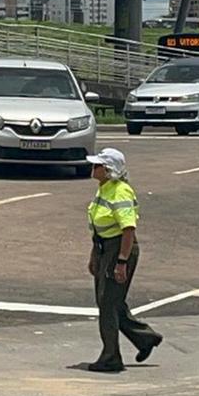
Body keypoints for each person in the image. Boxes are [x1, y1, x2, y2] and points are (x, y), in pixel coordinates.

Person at [84, 148, 162, 373]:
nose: (94, 167)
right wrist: (94, 255)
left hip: (119, 249)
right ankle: (145, 338)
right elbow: (100, 227)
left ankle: (111, 357)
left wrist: (121, 262)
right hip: (104, 249)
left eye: (98, 165)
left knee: (108, 303)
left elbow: (128, 230)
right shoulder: (104, 190)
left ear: (109, 170)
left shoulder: (120, 192)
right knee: (110, 301)